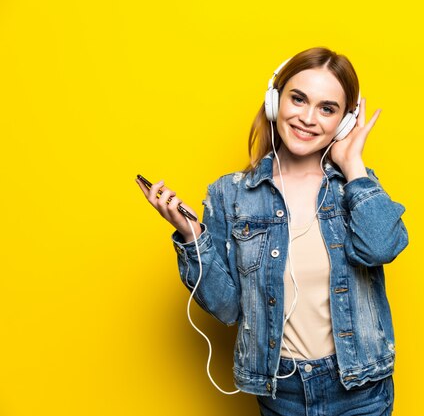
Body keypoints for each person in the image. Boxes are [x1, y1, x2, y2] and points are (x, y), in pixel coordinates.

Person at [136, 47, 408, 415]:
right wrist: (192, 236)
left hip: (360, 388)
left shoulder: (354, 187)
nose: (308, 118)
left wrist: (353, 163)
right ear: (274, 101)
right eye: (298, 99)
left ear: (344, 123)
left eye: (327, 109)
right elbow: (228, 308)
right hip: (282, 390)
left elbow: (381, 247)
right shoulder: (230, 194)